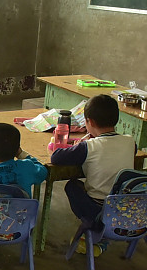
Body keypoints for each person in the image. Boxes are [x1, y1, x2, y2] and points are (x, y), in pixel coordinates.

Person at [50, 94, 137, 256]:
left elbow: (56, 157)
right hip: (124, 207)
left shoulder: (89, 146)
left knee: (72, 186)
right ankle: (102, 233)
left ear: (90, 122)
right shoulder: (130, 141)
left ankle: (96, 228)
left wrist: (81, 145)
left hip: (97, 209)